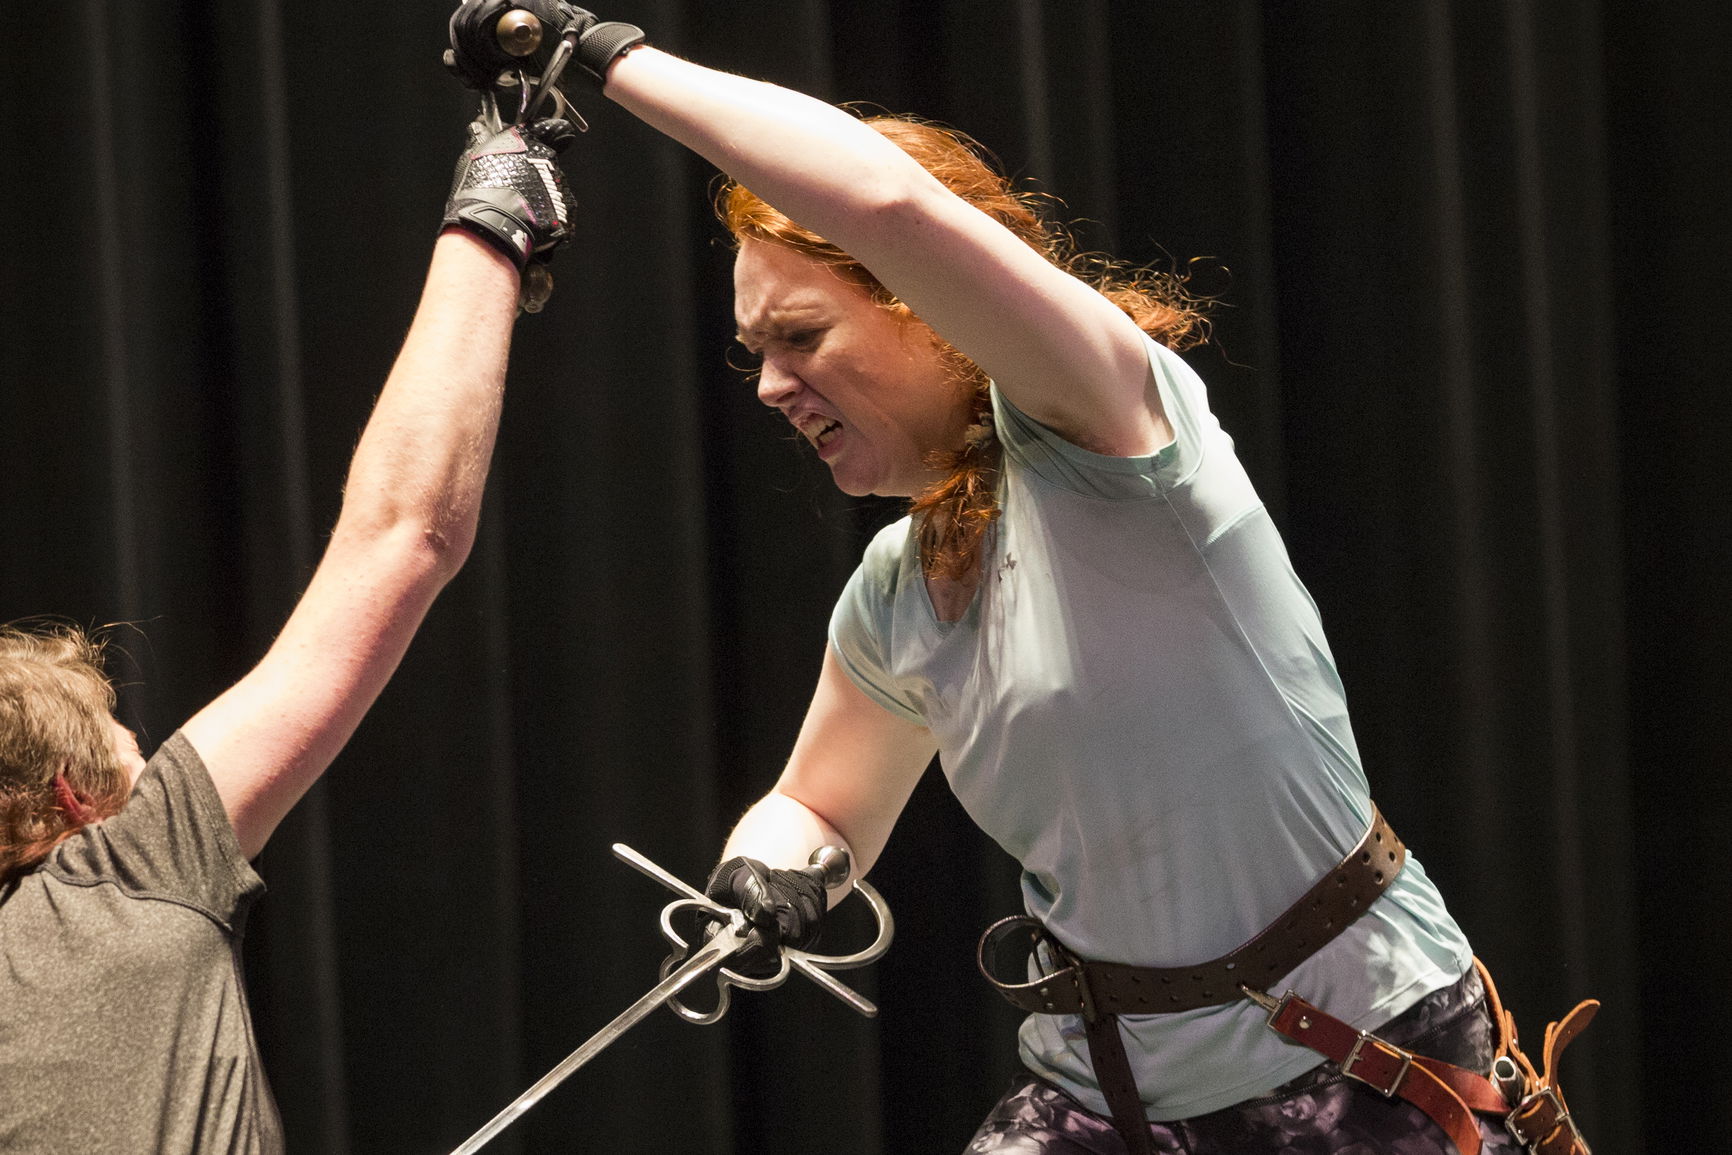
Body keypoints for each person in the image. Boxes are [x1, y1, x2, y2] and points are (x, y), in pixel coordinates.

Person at [452, 8, 1591, 1153]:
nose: (770, 386)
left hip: (1356, 1065)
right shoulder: (896, 594)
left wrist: (600, 56)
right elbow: (821, 805)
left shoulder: (1116, 441)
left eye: (801, 336)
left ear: (929, 310)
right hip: (1103, 1100)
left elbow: (886, 206)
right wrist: (764, 875)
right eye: (756, 352)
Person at [0, 111, 577, 1152]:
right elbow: (403, 535)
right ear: (75, 804)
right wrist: (497, 209)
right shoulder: (122, 875)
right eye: (135, 758)